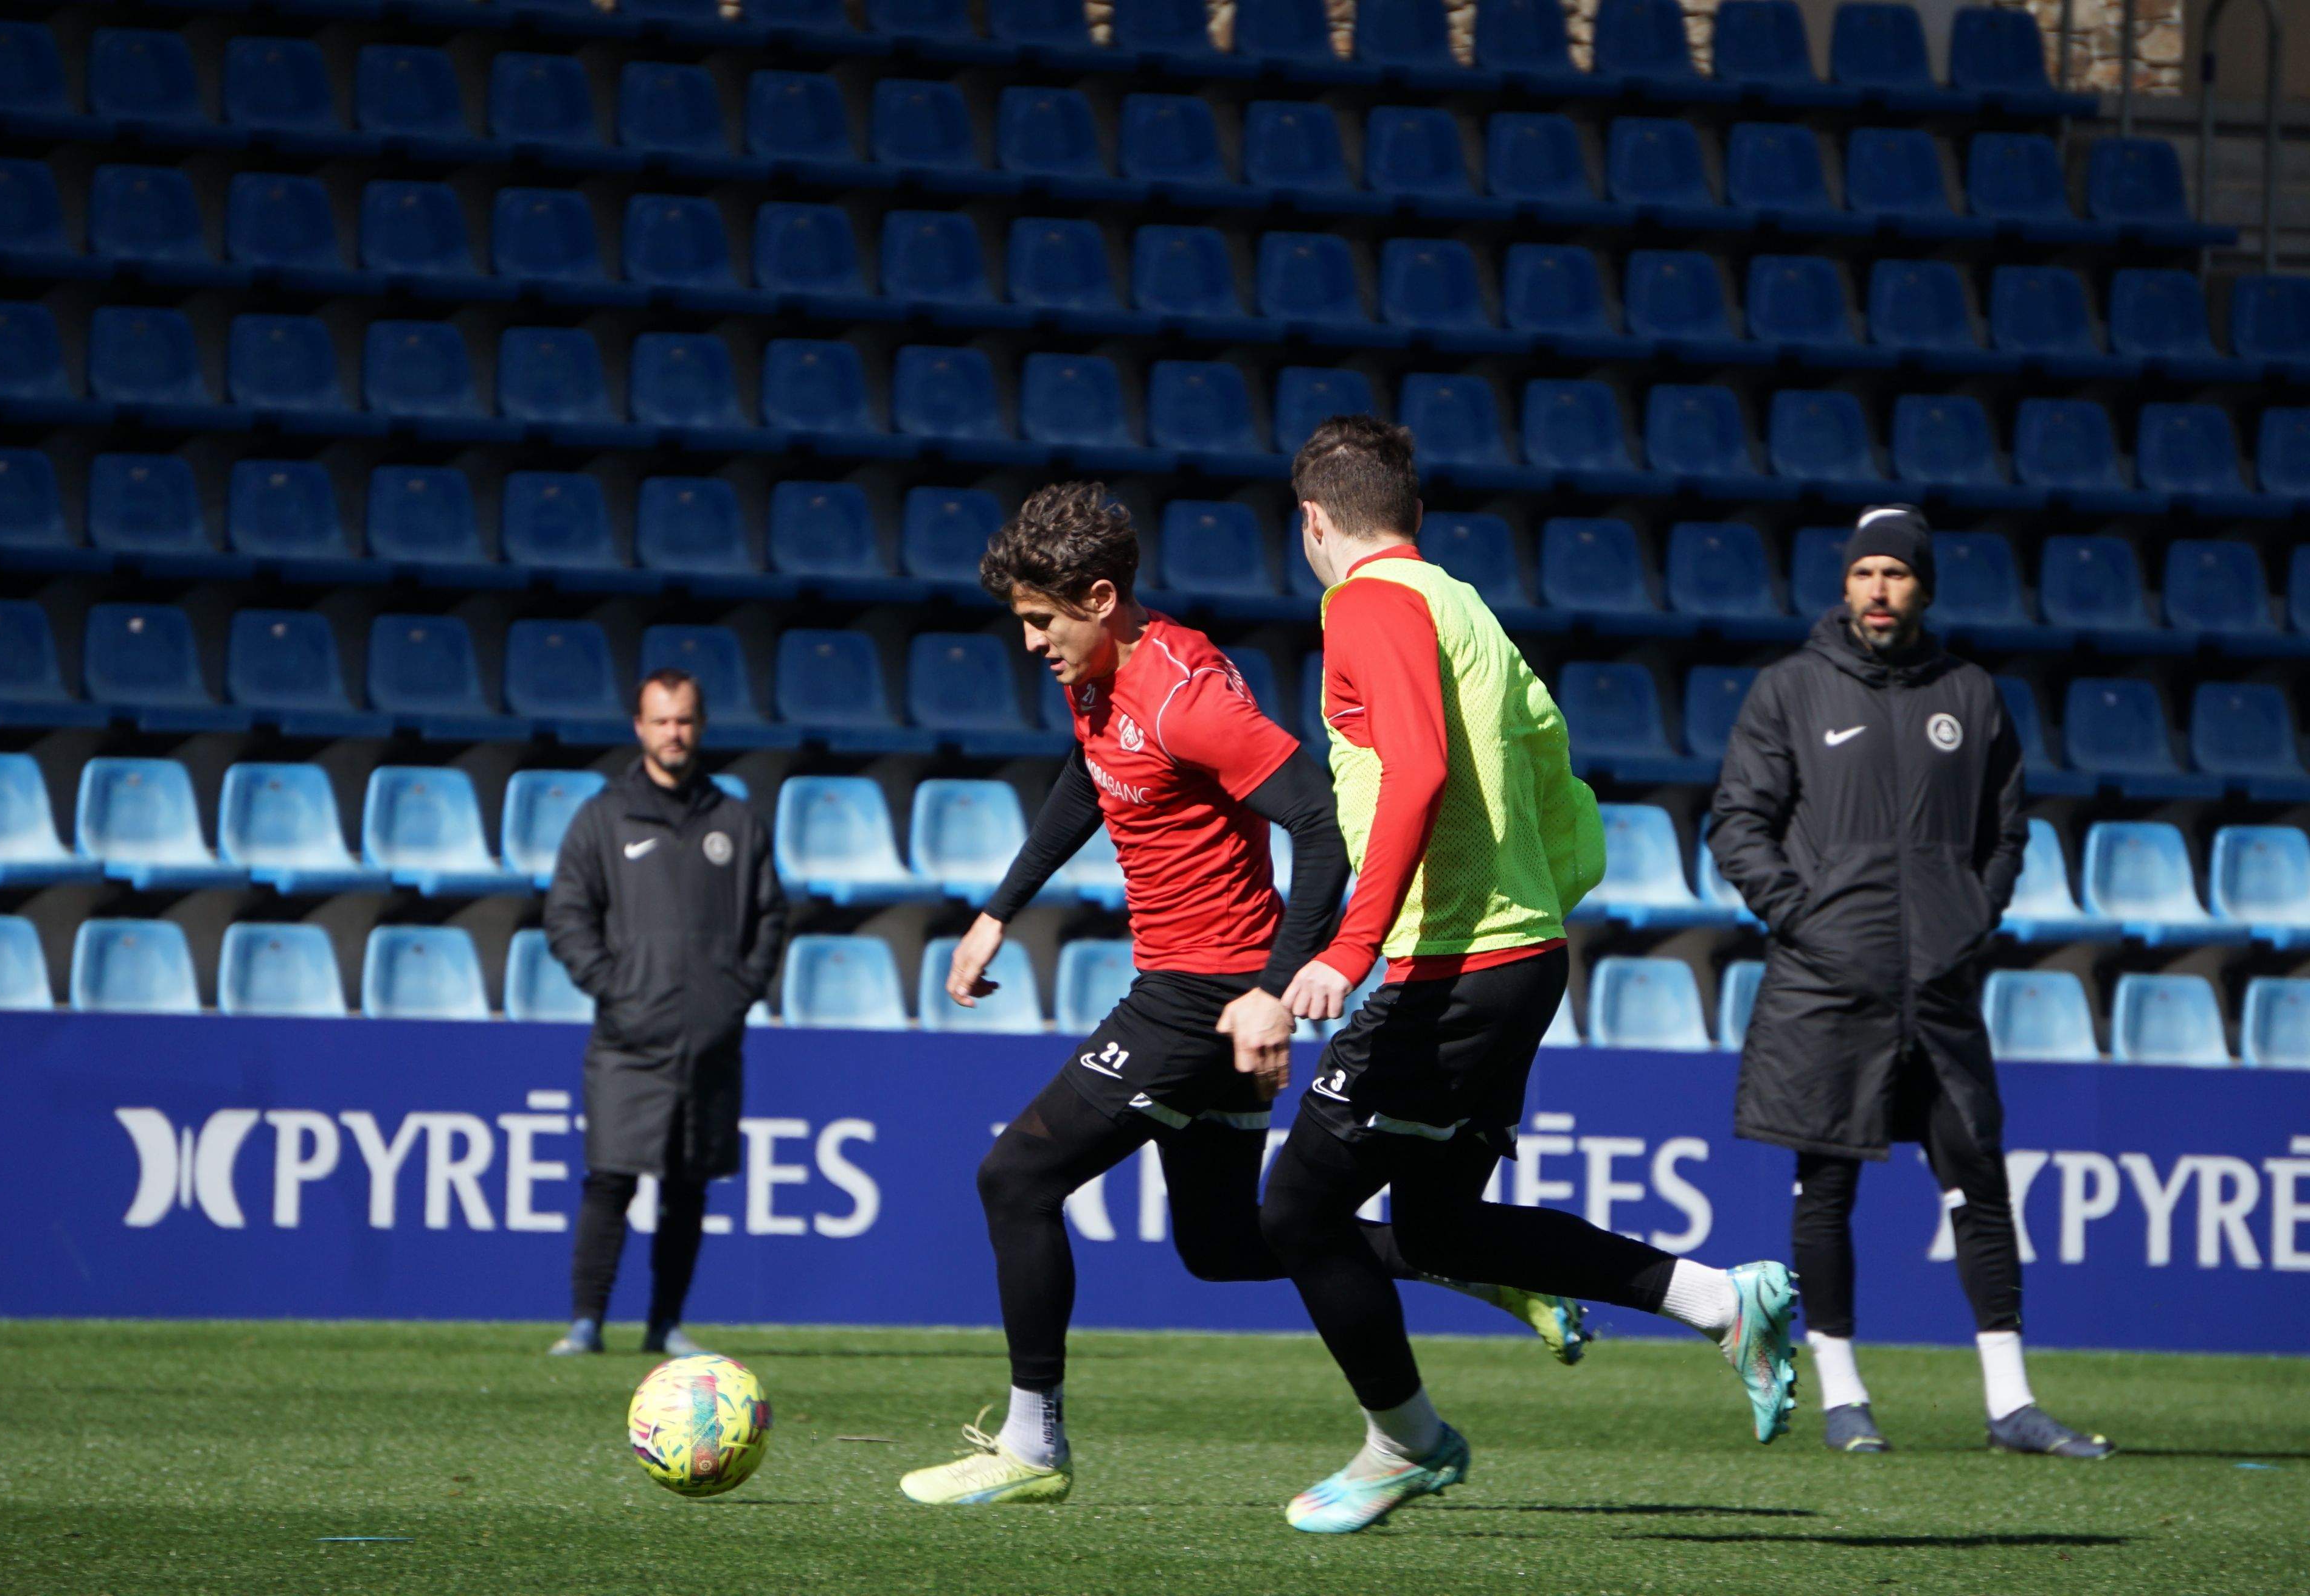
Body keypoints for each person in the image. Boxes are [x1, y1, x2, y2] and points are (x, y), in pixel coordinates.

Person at [898, 483, 1587, 1510]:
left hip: (1204, 990)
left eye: (1042, 619)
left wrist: (1272, 984)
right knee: (1224, 1244)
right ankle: (1473, 1263)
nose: (1031, 640)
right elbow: (1094, 774)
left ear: (1098, 596)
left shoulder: (1186, 694)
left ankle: (1032, 1442)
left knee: (1016, 1178)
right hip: (1207, 992)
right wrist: (1002, 906)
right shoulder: (1100, 676)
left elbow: (1316, 818)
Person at [1261, 415, 1801, 1536]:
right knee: (1445, 1228)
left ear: (1314, 519)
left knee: (1299, 1209)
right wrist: (1536, 910)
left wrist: (1352, 947)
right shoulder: (1467, 608)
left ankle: (1403, 1440)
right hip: (1518, 952)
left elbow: (1413, 768)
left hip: (1448, 962)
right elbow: (1558, 777)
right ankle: (1718, 1297)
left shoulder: (1366, 604)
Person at [1708, 504, 2113, 1459]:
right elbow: (1737, 823)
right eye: (1864, 574)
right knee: (1827, 1186)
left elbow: (2007, 831)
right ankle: (1845, 1395)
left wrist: (1971, 917)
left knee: (1978, 1181)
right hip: (1826, 981)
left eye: (1896, 574)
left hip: (1937, 981)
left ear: (1923, 588)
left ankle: (2011, 1404)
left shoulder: (1971, 695)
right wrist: (1808, 919)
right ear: (1843, 586)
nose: (1879, 590)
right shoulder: (1791, 691)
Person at [541, 668, 786, 1358]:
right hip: (627, 1037)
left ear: (699, 725)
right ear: (639, 727)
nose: (673, 732)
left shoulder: (734, 820)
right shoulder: (603, 816)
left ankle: (663, 1324)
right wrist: (615, 987)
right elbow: (566, 914)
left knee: (688, 1186)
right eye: (661, 720)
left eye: (684, 720)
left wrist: (734, 995)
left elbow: (771, 918)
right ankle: (586, 1322)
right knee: (611, 1177)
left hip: (709, 1042)